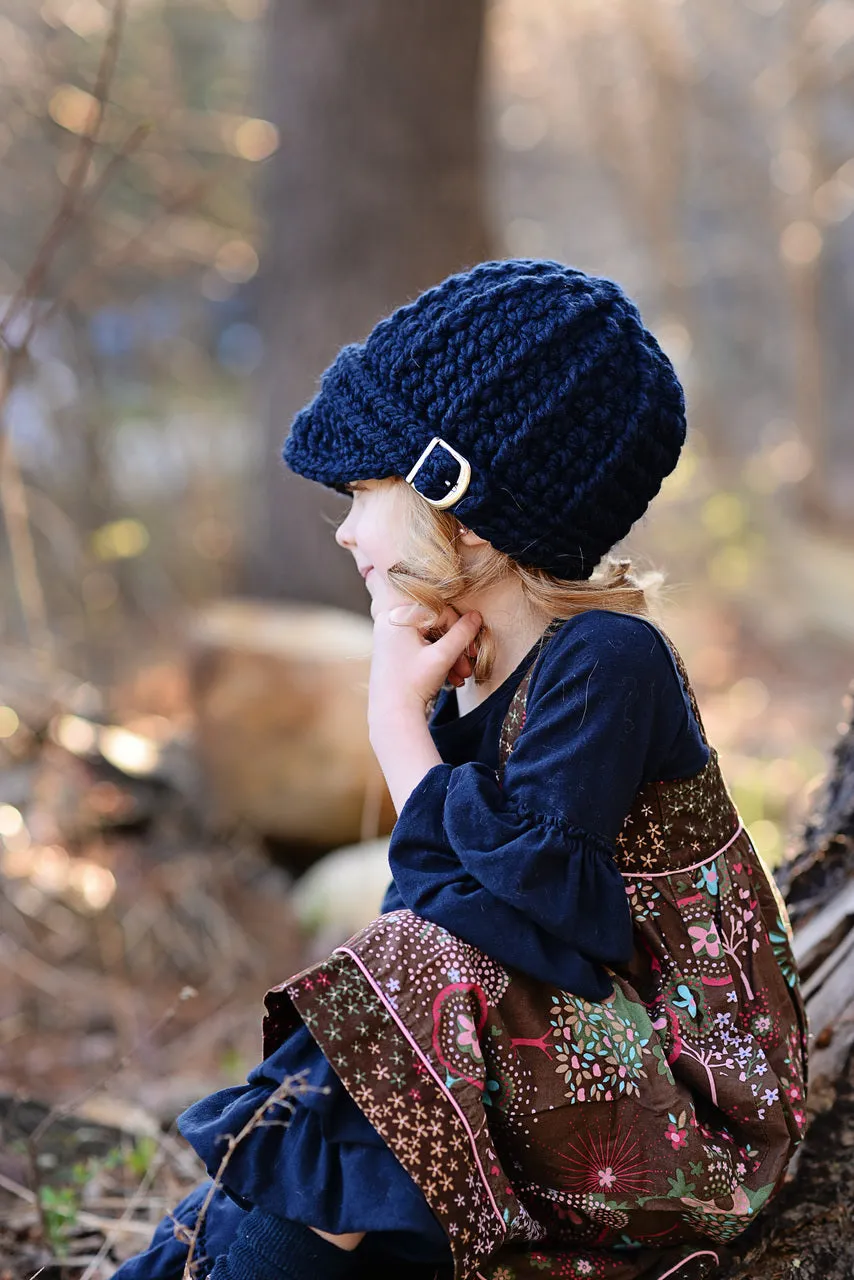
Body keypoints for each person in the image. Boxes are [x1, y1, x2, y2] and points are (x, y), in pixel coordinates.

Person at [114, 260, 807, 1280]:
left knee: (396, 987)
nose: (345, 527)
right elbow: (434, 911)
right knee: (345, 1083)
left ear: (458, 492)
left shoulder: (607, 660)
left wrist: (397, 727)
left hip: (696, 1103)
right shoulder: (470, 673)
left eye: (363, 490)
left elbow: (545, 923)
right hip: (573, 1076)